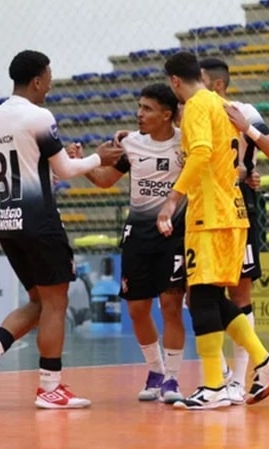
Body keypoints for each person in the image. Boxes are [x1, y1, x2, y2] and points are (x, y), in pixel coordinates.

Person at [0, 50, 123, 409]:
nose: (50, 85)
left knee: (39, 302)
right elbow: (66, 171)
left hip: (8, 222)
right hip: (40, 221)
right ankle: (50, 387)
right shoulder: (39, 116)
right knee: (56, 302)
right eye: (48, 78)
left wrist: (37, 164)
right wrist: (100, 158)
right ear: (37, 80)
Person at [158, 51, 269, 410]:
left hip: (209, 215)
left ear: (175, 82)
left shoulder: (198, 105)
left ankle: (214, 385)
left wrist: (172, 200)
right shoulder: (223, 105)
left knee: (200, 297)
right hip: (233, 211)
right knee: (214, 298)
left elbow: (199, 154)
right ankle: (264, 360)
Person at [75, 83, 187, 403]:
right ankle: (155, 369)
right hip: (138, 235)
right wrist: (83, 164)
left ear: (167, 115)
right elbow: (106, 180)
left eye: (147, 108)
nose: (139, 114)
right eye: (139, 107)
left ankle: (173, 380)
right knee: (137, 309)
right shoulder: (132, 145)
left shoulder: (186, 143)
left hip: (173, 234)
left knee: (171, 307)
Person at [198, 57, 269, 404]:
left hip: (239, 205)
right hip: (203, 204)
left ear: (218, 85)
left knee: (239, 291)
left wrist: (245, 129)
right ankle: (219, 375)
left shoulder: (243, 110)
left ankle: (239, 378)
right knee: (201, 291)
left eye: (199, 80)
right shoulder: (195, 111)